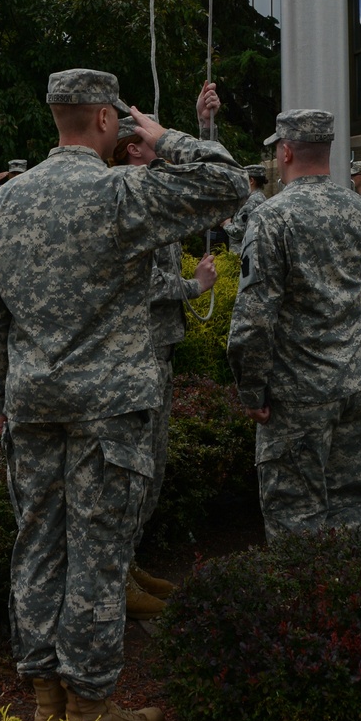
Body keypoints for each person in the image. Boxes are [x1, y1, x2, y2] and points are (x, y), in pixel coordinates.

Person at [0, 69, 247, 721]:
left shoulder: (7, 202)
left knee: (35, 548)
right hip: (109, 410)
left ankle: (44, 712)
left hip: (32, 406)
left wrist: (0, 396)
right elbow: (230, 184)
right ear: (103, 121)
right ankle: (92, 719)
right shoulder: (120, 191)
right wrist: (164, 133)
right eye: (121, 121)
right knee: (95, 555)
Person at [227, 109, 361, 544]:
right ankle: (347, 602)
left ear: (287, 150)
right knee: (350, 507)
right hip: (356, 385)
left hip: (298, 395)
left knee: (296, 522)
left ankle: (304, 609)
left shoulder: (272, 217)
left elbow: (254, 318)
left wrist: (251, 388)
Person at [110, 95, 219, 617]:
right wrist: (193, 287)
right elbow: (144, 284)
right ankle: (117, 577)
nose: (146, 150)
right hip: (139, 354)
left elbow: (209, 182)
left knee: (151, 467)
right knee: (137, 470)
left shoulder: (152, 193)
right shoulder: (131, 197)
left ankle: (127, 563)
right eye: (137, 144)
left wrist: (205, 125)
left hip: (158, 349)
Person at [225, 164, 269, 253]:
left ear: (251, 181)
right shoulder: (261, 198)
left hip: (243, 255)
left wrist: (226, 224)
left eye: (241, 180)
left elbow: (239, 232)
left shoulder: (251, 202)